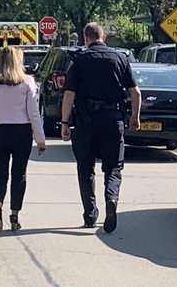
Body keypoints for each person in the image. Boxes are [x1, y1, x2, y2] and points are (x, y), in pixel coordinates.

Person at [60, 22, 141, 232]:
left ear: (86, 39)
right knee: (113, 166)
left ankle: (90, 214)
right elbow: (136, 93)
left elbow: (69, 95)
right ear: (103, 38)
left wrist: (65, 123)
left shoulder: (78, 61)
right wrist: (135, 117)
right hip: (113, 118)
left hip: (85, 121)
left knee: (85, 168)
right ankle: (111, 199)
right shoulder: (120, 59)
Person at [0, 46, 47, 231]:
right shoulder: (27, 81)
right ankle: (15, 214)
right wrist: (40, 139)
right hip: (21, 131)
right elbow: (33, 113)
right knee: (19, 174)